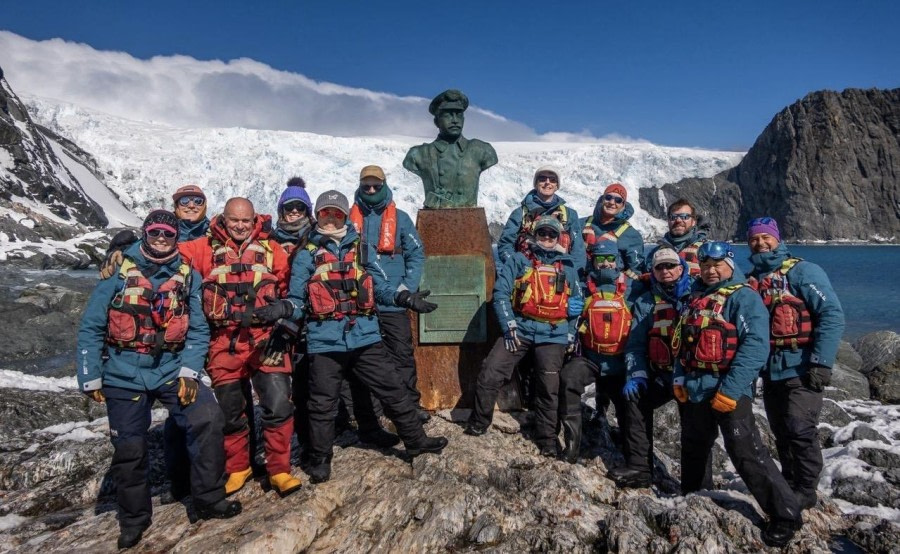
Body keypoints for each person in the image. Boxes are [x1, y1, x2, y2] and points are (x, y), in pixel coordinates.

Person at [77, 211, 241, 549]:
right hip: (123, 372)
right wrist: (90, 376)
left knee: (208, 418)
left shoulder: (188, 275)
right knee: (130, 448)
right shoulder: (117, 271)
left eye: (168, 233)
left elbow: (198, 330)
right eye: (155, 232)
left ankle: (209, 498)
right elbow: (91, 326)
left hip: (170, 368)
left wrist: (190, 372)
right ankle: (134, 520)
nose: (162, 238)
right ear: (145, 233)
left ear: (176, 236)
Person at [286, 190, 448, 483]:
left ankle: (415, 440)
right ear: (317, 216)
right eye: (325, 213)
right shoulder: (306, 255)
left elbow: (380, 286)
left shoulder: (361, 248)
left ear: (345, 216)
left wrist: (403, 298)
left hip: (364, 336)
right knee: (322, 403)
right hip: (325, 341)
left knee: (393, 389)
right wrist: (284, 309)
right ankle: (320, 458)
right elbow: (297, 299)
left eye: (337, 213)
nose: (331, 218)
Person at [674, 241, 802, 547]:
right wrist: (679, 377)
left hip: (729, 388)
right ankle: (695, 496)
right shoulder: (696, 298)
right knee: (694, 445)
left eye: (717, 265)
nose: (711, 271)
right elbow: (682, 341)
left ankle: (785, 515)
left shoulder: (744, 297)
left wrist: (731, 389)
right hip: (695, 386)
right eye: (706, 266)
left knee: (746, 451)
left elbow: (756, 346)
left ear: (730, 265)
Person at [179, 197, 302, 497]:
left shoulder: (272, 250)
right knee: (231, 412)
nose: (240, 226)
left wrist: (287, 324)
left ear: (254, 220)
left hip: (265, 339)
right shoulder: (203, 248)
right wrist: (123, 249)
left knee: (278, 404)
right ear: (223, 218)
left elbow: (293, 291)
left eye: (245, 220)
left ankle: (279, 469)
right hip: (224, 342)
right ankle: (238, 467)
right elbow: (164, 250)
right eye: (234, 220)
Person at [746, 217, 845, 510]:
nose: (761, 243)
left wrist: (821, 362)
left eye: (766, 237)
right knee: (780, 430)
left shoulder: (803, 272)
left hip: (801, 366)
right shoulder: (752, 280)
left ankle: (806, 489)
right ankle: (789, 481)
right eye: (754, 239)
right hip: (771, 370)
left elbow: (831, 314)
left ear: (777, 239)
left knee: (800, 429)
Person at [465, 216, 583, 456]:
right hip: (520, 329)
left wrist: (571, 332)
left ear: (558, 238)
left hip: (553, 334)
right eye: (542, 233)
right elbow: (501, 294)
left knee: (548, 387)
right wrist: (509, 326)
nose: (547, 238)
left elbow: (577, 303)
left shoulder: (568, 268)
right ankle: (479, 422)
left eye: (551, 234)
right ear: (534, 235)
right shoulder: (519, 261)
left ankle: (547, 440)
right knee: (490, 371)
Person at [610, 248, 711, 488]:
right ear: (653, 272)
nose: (665, 271)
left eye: (670, 266)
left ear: (681, 268)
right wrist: (636, 375)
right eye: (660, 267)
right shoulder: (646, 302)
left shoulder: (698, 295)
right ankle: (640, 468)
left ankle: (698, 486)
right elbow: (635, 345)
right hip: (662, 373)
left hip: (691, 374)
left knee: (695, 428)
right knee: (635, 400)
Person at [350, 164, 430, 421]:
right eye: (367, 186)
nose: (371, 190)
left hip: (393, 301)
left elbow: (416, 254)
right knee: (364, 356)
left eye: (376, 185)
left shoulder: (401, 219)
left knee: (401, 353)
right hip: (360, 303)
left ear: (384, 185)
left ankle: (410, 406)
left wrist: (407, 288)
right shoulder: (348, 221)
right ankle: (371, 412)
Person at [557, 240, 637, 463]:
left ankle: (634, 457)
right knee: (568, 378)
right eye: (600, 259)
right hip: (589, 358)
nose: (605, 264)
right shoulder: (582, 287)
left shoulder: (633, 288)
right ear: (592, 261)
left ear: (617, 261)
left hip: (620, 362)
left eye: (610, 259)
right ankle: (572, 446)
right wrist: (568, 310)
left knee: (629, 402)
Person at [403, 89, 498, 209]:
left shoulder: (482, 150)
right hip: (435, 218)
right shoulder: (418, 154)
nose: (455, 120)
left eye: (459, 114)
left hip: (470, 218)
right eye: (448, 115)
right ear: (436, 122)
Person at [496, 166, 586, 265]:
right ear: (536, 184)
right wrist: (517, 266)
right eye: (542, 179)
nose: (547, 182)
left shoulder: (570, 215)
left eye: (552, 180)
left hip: (561, 270)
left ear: (557, 186)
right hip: (526, 270)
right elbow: (505, 245)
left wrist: (572, 272)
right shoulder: (520, 213)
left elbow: (578, 251)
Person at [581, 183, 646, 280]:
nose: (612, 202)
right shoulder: (581, 224)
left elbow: (636, 271)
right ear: (602, 200)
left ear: (623, 205)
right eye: (608, 197)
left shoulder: (632, 235)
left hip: (613, 286)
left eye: (618, 200)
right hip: (582, 283)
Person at [652, 198, 707, 277]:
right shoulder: (656, 253)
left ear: (694, 221)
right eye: (673, 217)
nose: (678, 220)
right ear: (668, 221)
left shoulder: (706, 250)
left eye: (684, 217)